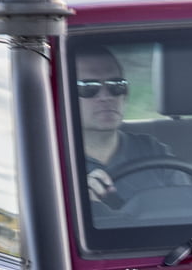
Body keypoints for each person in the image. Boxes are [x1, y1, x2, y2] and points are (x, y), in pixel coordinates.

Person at [75, 48, 181, 205]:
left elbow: (188, 207)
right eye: (89, 87)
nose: (106, 97)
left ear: (126, 94)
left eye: (116, 85)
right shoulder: (53, 161)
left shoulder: (153, 151)